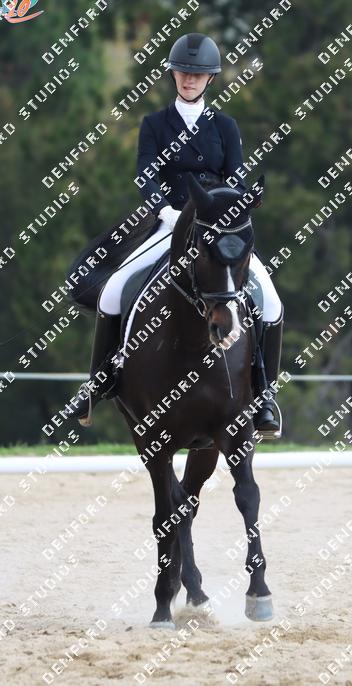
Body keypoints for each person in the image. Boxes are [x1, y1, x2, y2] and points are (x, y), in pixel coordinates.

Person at [64, 33, 283, 436]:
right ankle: (98, 383)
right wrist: (164, 210)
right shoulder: (154, 124)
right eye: (183, 72)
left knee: (270, 300)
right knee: (113, 290)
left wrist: (222, 211)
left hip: (215, 229)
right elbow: (145, 174)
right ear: (173, 75)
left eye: (197, 74)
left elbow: (236, 178)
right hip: (168, 223)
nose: (189, 79)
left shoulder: (225, 127)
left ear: (210, 79)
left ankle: (265, 394)